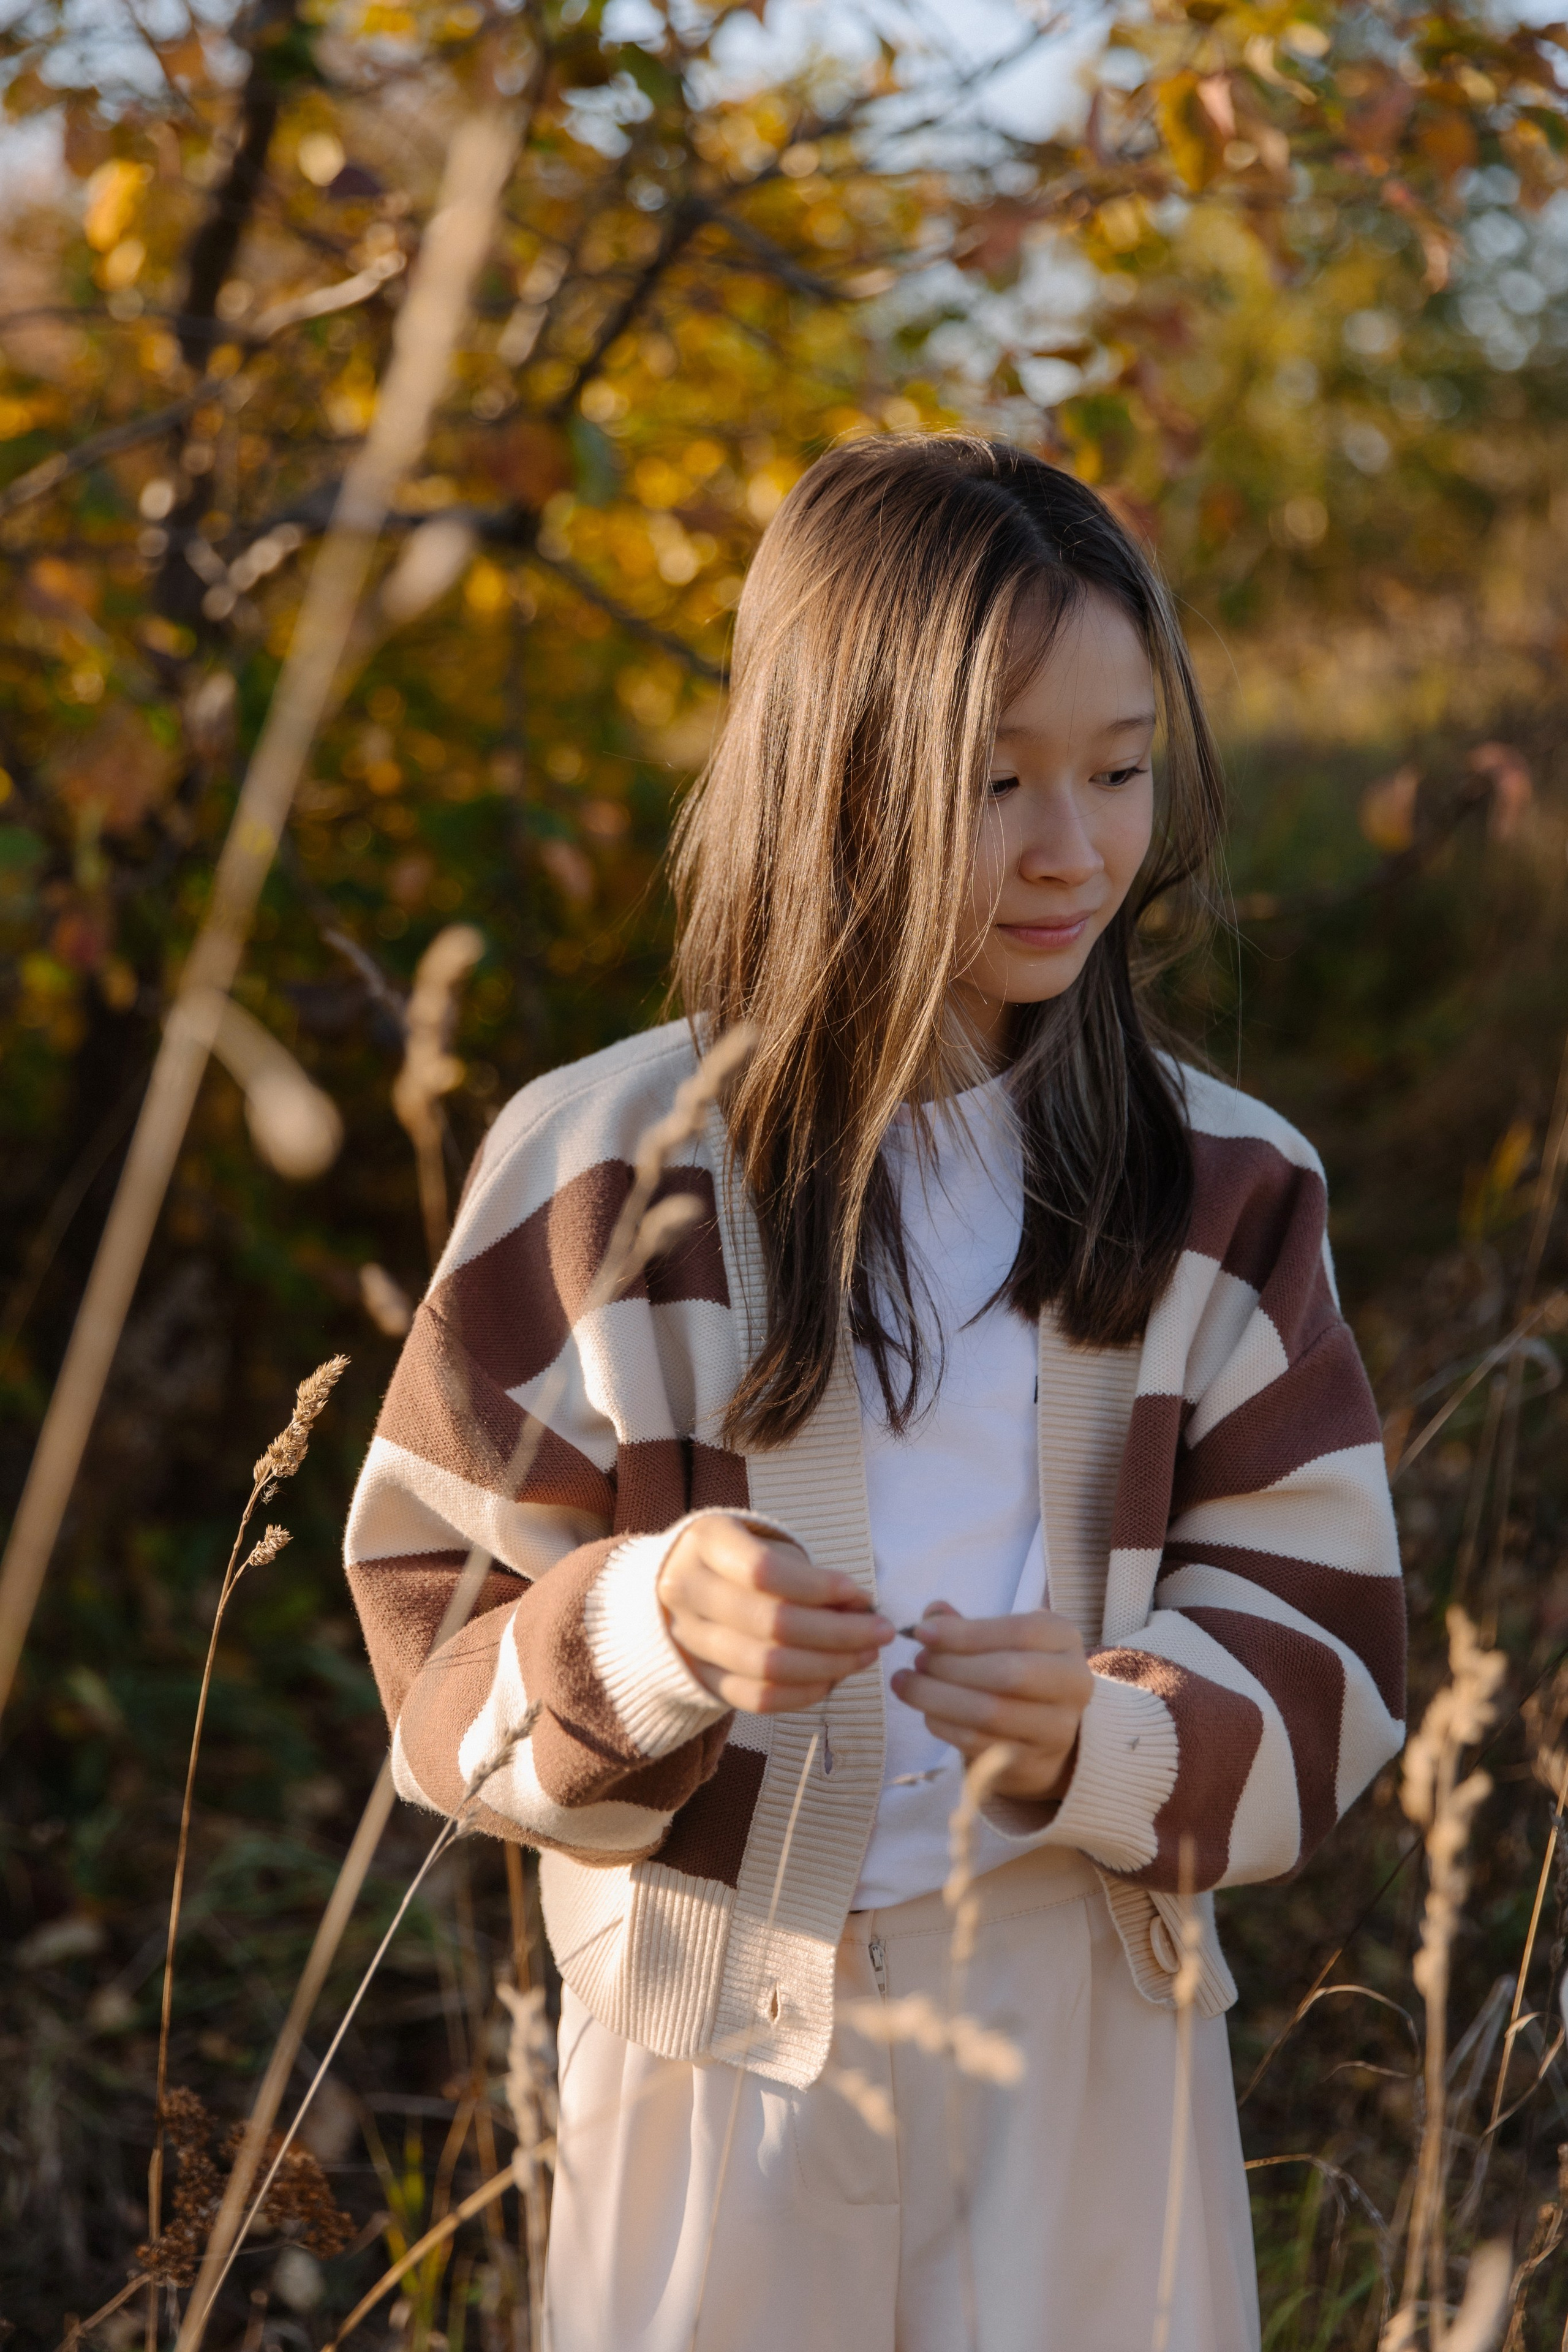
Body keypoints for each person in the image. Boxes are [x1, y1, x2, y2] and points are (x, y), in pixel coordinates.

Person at [343, 436, 1406, 2352]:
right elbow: (436, 1665)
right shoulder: (600, 1170)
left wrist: (1113, 1734)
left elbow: (1331, 1637)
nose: (1072, 849)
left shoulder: (1228, 1187)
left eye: (1120, 770)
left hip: (1088, 2037)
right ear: (828, 771)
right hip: (711, 2068)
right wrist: (646, 1637)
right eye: (994, 780)